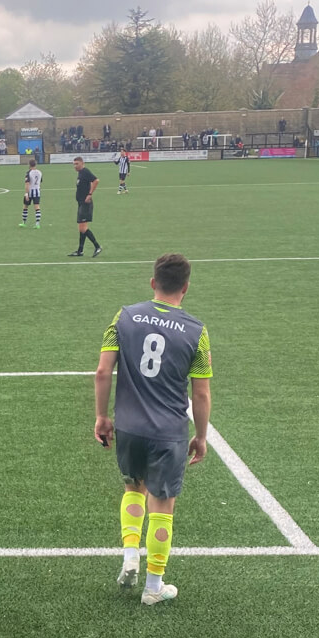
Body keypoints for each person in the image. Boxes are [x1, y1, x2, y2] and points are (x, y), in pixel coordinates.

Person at [93, 254, 213, 606]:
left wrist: (102, 416)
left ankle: (131, 553)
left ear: (152, 283)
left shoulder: (124, 316)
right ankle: (153, 586)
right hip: (169, 431)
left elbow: (102, 372)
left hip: (129, 426)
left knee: (133, 487)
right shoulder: (197, 332)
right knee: (163, 505)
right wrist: (201, 436)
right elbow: (201, 391)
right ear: (186, 288)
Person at [68, 157, 102, 258]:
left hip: (86, 204)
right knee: (81, 228)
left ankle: (97, 246)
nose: (75, 166)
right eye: (74, 164)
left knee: (83, 228)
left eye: (77, 164)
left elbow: (96, 180)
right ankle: (80, 250)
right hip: (81, 203)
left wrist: (90, 194)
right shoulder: (80, 173)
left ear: (82, 163)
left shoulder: (85, 171)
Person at [19, 158, 43, 229]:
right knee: (37, 207)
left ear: (29, 165)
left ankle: (24, 222)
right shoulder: (39, 172)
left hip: (30, 192)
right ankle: (37, 224)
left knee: (25, 206)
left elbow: (27, 184)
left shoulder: (28, 173)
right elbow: (40, 181)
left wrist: (26, 193)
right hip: (37, 191)